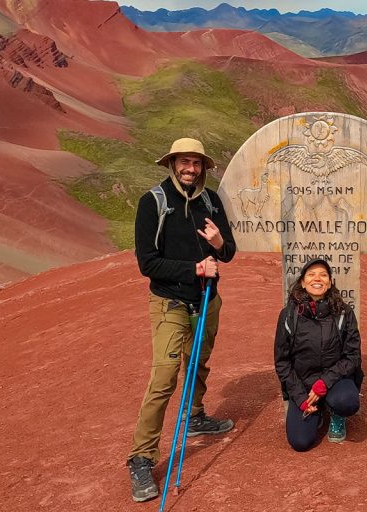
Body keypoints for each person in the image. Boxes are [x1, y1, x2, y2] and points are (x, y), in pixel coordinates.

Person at [126, 137, 237, 502]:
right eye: (183, 162)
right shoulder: (153, 203)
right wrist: (194, 268)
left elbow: (230, 253)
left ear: (204, 166)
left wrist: (220, 244)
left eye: (196, 163)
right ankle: (141, 458)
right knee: (164, 377)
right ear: (172, 164)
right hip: (170, 303)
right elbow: (148, 263)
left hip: (207, 300)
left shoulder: (211, 201)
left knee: (199, 361)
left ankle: (194, 416)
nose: (190, 169)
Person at [274, 258, 363, 452]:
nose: (318, 279)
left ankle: (337, 413)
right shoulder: (289, 315)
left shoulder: (343, 313)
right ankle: (318, 409)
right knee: (300, 442)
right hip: (303, 383)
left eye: (323, 275)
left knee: (347, 401)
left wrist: (324, 383)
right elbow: (282, 362)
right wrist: (300, 398)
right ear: (303, 282)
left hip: (335, 379)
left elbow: (353, 356)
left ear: (330, 282)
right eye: (311, 275)